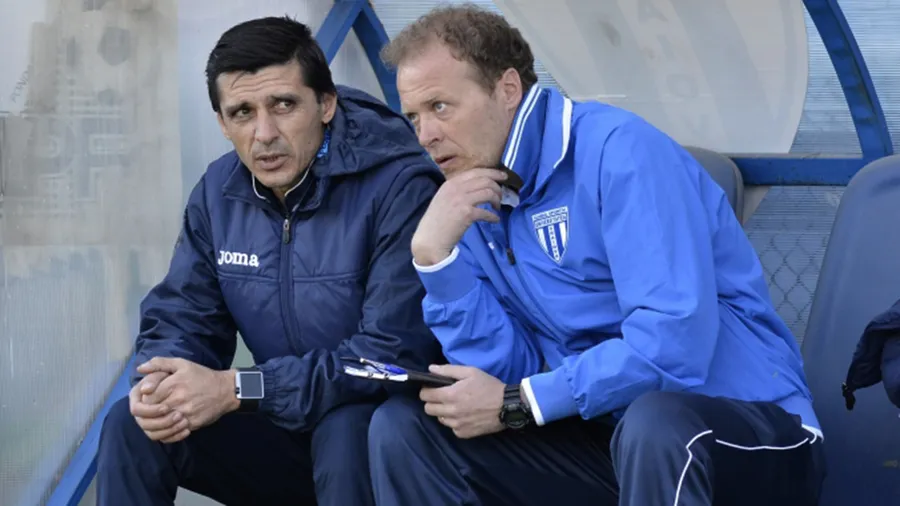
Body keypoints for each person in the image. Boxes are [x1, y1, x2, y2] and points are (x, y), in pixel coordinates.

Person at [367, 5, 826, 506]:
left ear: (508, 89)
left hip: (745, 427)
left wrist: (523, 401)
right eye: (414, 116)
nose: (426, 135)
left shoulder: (620, 152)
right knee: (405, 429)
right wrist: (436, 261)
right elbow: (507, 377)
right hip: (605, 433)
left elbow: (673, 344)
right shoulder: (468, 199)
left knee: (657, 423)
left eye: (440, 106)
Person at [95, 16, 442, 506]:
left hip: (383, 438)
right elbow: (183, 314)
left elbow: (388, 355)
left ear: (325, 104)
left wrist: (244, 387)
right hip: (283, 427)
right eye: (242, 112)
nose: (264, 133)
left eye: (283, 105)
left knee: (346, 429)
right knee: (136, 424)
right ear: (222, 123)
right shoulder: (218, 194)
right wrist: (162, 384)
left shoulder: (400, 186)